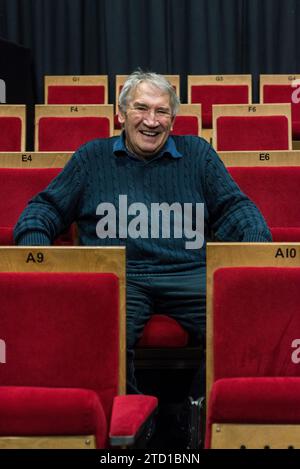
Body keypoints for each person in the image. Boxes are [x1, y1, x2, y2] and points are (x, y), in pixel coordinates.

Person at [14, 69, 271, 444]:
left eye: (162, 112)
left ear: (173, 119)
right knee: (98, 331)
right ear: (121, 114)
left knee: (245, 317)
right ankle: (133, 422)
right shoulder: (92, 158)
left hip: (188, 272)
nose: (151, 121)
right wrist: (36, 251)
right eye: (141, 108)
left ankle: (196, 413)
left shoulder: (197, 154)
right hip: (119, 274)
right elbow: (44, 209)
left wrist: (253, 245)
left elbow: (235, 208)